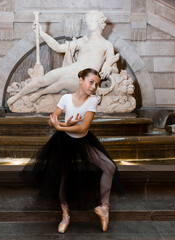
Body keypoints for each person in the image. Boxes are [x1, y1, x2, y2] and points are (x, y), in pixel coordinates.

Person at [22, 68, 122, 233]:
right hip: (63, 142)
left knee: (109, 166)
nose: (93, 87)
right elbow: (51, 121)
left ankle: (104, 207)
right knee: (62, 177)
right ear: (80, 80)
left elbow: (83, 128)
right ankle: (65, 213)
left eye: (96, 84)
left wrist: (63, 126)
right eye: (91, 82)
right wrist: (62, 125)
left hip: (82, 141)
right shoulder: (66, 98)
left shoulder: (92, 101)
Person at [7, 10, 119, 106]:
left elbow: (114, 67)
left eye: (91, 20)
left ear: (99, 22)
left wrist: (107, 69)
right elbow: (58, 47)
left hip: (86, 79)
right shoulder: (83, 41)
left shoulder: (106, 44)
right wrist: (41, 33)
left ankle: (40, 93)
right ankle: (17, 96)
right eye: (88, 20)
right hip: (73, 69)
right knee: (42, 80)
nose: (88, 22)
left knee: (63, 82)